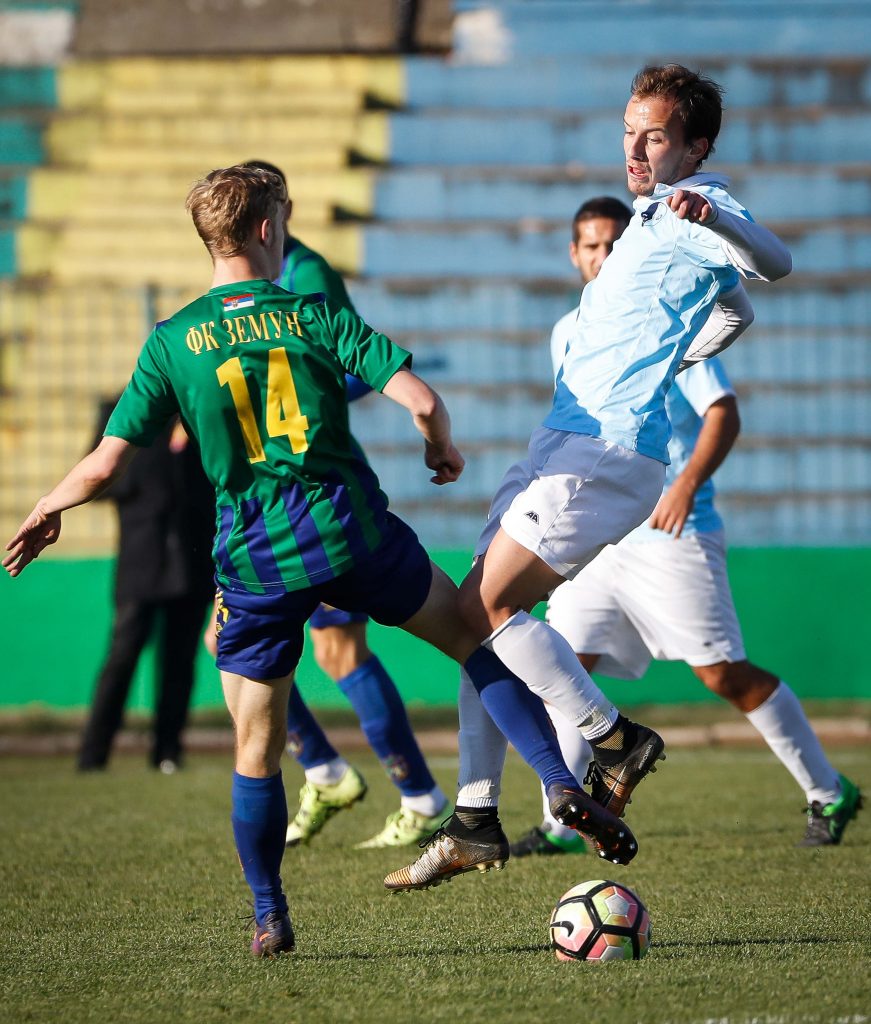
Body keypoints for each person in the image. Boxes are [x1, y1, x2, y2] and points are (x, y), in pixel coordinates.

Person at [4, 165, 632, 957]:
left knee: (256, 748)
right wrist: (440, 450)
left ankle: (269, 914)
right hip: (350, 533)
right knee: (473, 639)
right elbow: (422, 401)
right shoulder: (311, 313)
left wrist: (48, 506)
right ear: (270, 229)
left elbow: (103, 464)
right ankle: (560, 781)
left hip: (256, 560)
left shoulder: (171, 340)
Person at [385, 63, 794, 892]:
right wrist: (689, 344)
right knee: (471, 618)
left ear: (696, 147)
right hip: (561, 440)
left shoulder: (697, 203)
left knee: (487, 610)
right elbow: (735, 308)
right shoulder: (650, 216)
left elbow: (774, 264)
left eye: (655, 137)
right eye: (629, 132)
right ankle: (474, 816)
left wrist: (714, 217)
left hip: (605, 451)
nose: (636, 150)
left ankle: (614, 740)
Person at [512, 200, 862, 857]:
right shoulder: (566, 331)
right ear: (574, 255)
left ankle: (827, 789)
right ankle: (563, 821)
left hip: (668, 531)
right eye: (590, 246)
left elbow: (722, 410)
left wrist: (685, 484)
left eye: (613, 243)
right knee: (561, 660)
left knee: (722, 674)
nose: (602, 256)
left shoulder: (664, 314)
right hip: (597, 529)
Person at [242, 160, 451, 851]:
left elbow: (353, 365)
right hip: (274, 492)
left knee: (338, 650)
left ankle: (408, 791)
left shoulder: (306, 274)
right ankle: (341, 774)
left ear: (281, 211)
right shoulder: (250, 283)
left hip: (313, 490)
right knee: (297, 649)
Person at [78, 404, 214, 773]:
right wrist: (156, 466)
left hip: (192, 559)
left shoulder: (201, 407)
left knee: (179, 662)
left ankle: (168, 751)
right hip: (141, 557)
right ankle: (93, 753)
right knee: (122, 656)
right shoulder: (123, 409)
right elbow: (98, 477)